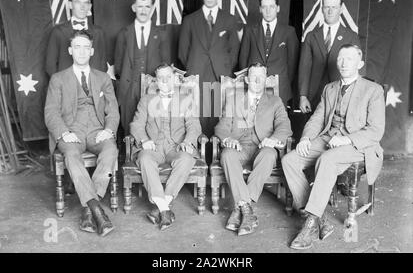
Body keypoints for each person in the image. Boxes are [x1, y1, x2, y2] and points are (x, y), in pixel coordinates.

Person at [282, 44, 385, 249]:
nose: (344, 63)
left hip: (358, 146)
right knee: (289, 160)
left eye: (349, 59)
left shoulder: (373, 90)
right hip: (328, 139)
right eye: (340, 59)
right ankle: (318, 217)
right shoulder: (330, 88)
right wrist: (305, 139)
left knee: (327, 160)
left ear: (360, 64)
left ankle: (310, 223)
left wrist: (347, 139)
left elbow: (376, 131)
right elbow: (317, 119)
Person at [45, 30, 120, 237]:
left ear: (92, 51)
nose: (81, 51)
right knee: (71, 156)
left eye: (86, 47)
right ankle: (97, 210)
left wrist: (108, 129)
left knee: (111, 151)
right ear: (70, 50)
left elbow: (113, 109)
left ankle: (88, 209)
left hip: (97, 130)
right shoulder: (58, 79)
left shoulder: (103, 78)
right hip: (72, 131)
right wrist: (63, 133)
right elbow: (51, 112)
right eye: (77, 46)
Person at [214, 63, 292, 236]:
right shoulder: (234, 100)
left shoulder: (275, 101)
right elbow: (222, 126)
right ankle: (247, 210)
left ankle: (240, 208)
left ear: (266, 80)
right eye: (254, 77)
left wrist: (272, 140)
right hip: (239, 147)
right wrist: (228, 139)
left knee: (269, 154)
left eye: (261, 77)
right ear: (247, 79)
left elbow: (284, 126)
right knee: (226, 155)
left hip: (262, 148)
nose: (257, 80)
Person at [130, 64, 201, 231]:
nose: (164, 81)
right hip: (153, 146)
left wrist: (187, 142)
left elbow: (194, 126)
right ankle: (165, 209)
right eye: (160, 78)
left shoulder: (185, 99)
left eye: (168, 77)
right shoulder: (146, 100)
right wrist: (144, 139)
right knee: (144, 159)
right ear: (156, 81)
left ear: (174, 78)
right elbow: (136, 124)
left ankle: (161, 206)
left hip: (175, 146)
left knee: (186, 158)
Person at [178, 0, 240, 139]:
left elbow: (234, 49)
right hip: (196, 73)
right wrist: (194, 66)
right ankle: (197, 149)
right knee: (196, 112)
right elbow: (182, 51)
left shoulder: (229, 19)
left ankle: (217, 149)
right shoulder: (190, 20)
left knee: (218, 111)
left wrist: (225, 67)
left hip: (220, 74)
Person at [114, 0, 171, 132]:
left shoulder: (161, 34)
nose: (143, 10)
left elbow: (166, 63)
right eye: (140, 6)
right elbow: (119, 65)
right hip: (129, 87)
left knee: (153, 124)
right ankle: (130, 153)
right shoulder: (124, 33)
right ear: (134, 8)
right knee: (129, 124)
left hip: (153, 86)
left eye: (147, 6)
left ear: (152, 8)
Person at [298, 0, 360, 114]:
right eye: (327, 7)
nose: (330, 11)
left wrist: (356, 97)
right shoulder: (311, 36)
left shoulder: (351, 36)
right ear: (322, 9)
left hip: (342, 94)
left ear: (341, 9)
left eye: (334, 7)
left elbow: (358, 69)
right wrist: (303, 96)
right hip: (314, 95)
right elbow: (304, 68)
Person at [239, 0, 299, 106]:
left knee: (278, 122)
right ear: (260, 9)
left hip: (280, 89)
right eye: (264, 7)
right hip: (254, 88)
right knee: (253, 122)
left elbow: (292, 64)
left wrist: (283, 82)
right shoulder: (250, 30)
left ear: (278, 8)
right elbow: (243, 60)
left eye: (271, 7)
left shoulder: (289, 32)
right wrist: (249, 83)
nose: (268, 11)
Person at [46, 0, 107, 76]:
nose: (82, 7)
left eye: (86, 3)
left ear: (90, 6)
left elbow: (103, 64)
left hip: (93, 86)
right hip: (66, 86)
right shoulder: (58, 31)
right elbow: (50, 65)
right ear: (70, 5)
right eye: (78, 2)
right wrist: (62, 85)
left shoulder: (99, 32)